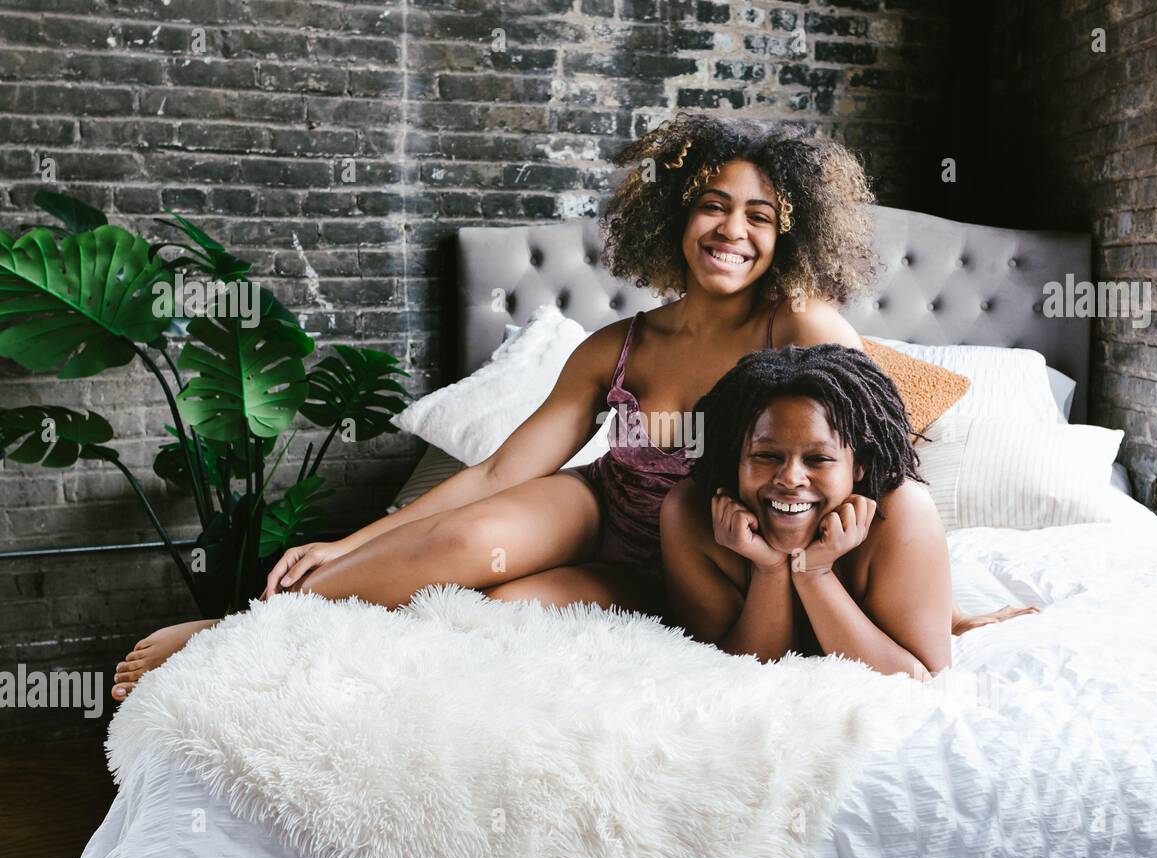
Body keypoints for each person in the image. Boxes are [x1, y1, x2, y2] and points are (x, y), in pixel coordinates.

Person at [111, 110, 880, 701]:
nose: (733, 231)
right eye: (714, 206)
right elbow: (500, 472)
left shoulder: (800, 327)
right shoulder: (618, 345)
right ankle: (234, 634)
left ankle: (287, 650)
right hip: (602, 505)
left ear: (789, 235)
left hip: (696, 557)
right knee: (467, 540)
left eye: (759, 216)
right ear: (678, 216)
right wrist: (351, 545)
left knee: (488, 613)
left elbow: (871, 448)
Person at [659, 345, 1039, 678]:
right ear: (735, 459)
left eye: (819, 458)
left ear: (858, 466)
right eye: (765, 455)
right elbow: (734, 676)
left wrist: (815, 573)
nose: (790, 478)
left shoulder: (904, 512)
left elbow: (920, 682)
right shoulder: (690, 514)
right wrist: (770, 569)